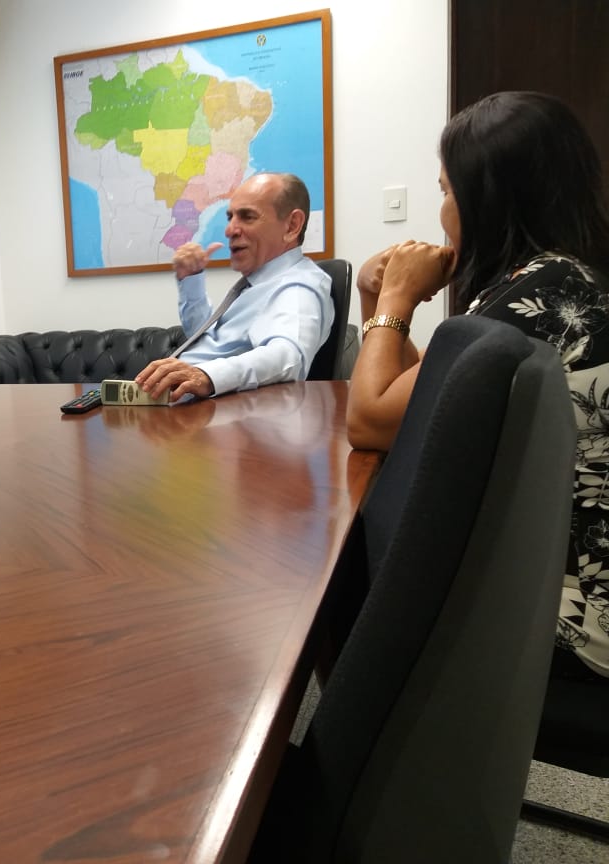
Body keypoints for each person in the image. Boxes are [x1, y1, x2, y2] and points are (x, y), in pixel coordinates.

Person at [347, 91, 609, 681]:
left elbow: (371, 420)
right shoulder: (558, 276)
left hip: (573, 614)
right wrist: (375, 296)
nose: (442, 211)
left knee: (349, 563)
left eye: (446, 191)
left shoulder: (544, 295)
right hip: (563, 572)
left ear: (486, 199)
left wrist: (396, 299)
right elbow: (419, 394)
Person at [134, 172, 334, 401]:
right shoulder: (258, 285)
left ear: (292, 226)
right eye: (230, 217)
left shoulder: (298, 286)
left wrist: (207, 376)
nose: (229, 230)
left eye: (247, 217)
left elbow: (287, 357)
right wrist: (191, 280)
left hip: (202, 416)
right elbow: (209, 340)